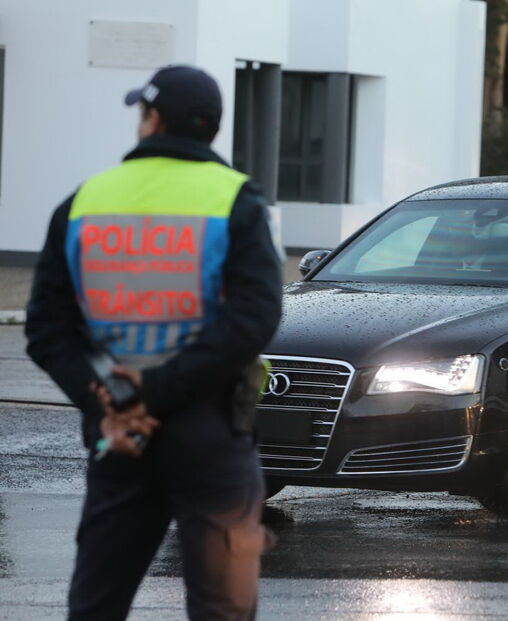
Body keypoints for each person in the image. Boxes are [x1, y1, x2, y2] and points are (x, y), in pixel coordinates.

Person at [25, 65, 283, 620]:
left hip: (118, 432)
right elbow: (253, 319)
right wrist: (162, 391)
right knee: (222, 609)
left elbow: (46, 329)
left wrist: (109, 401)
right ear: (211, 129)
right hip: (211, 434)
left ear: (153, 120)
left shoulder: (83, 202)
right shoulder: (238, 202)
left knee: (96, 603)